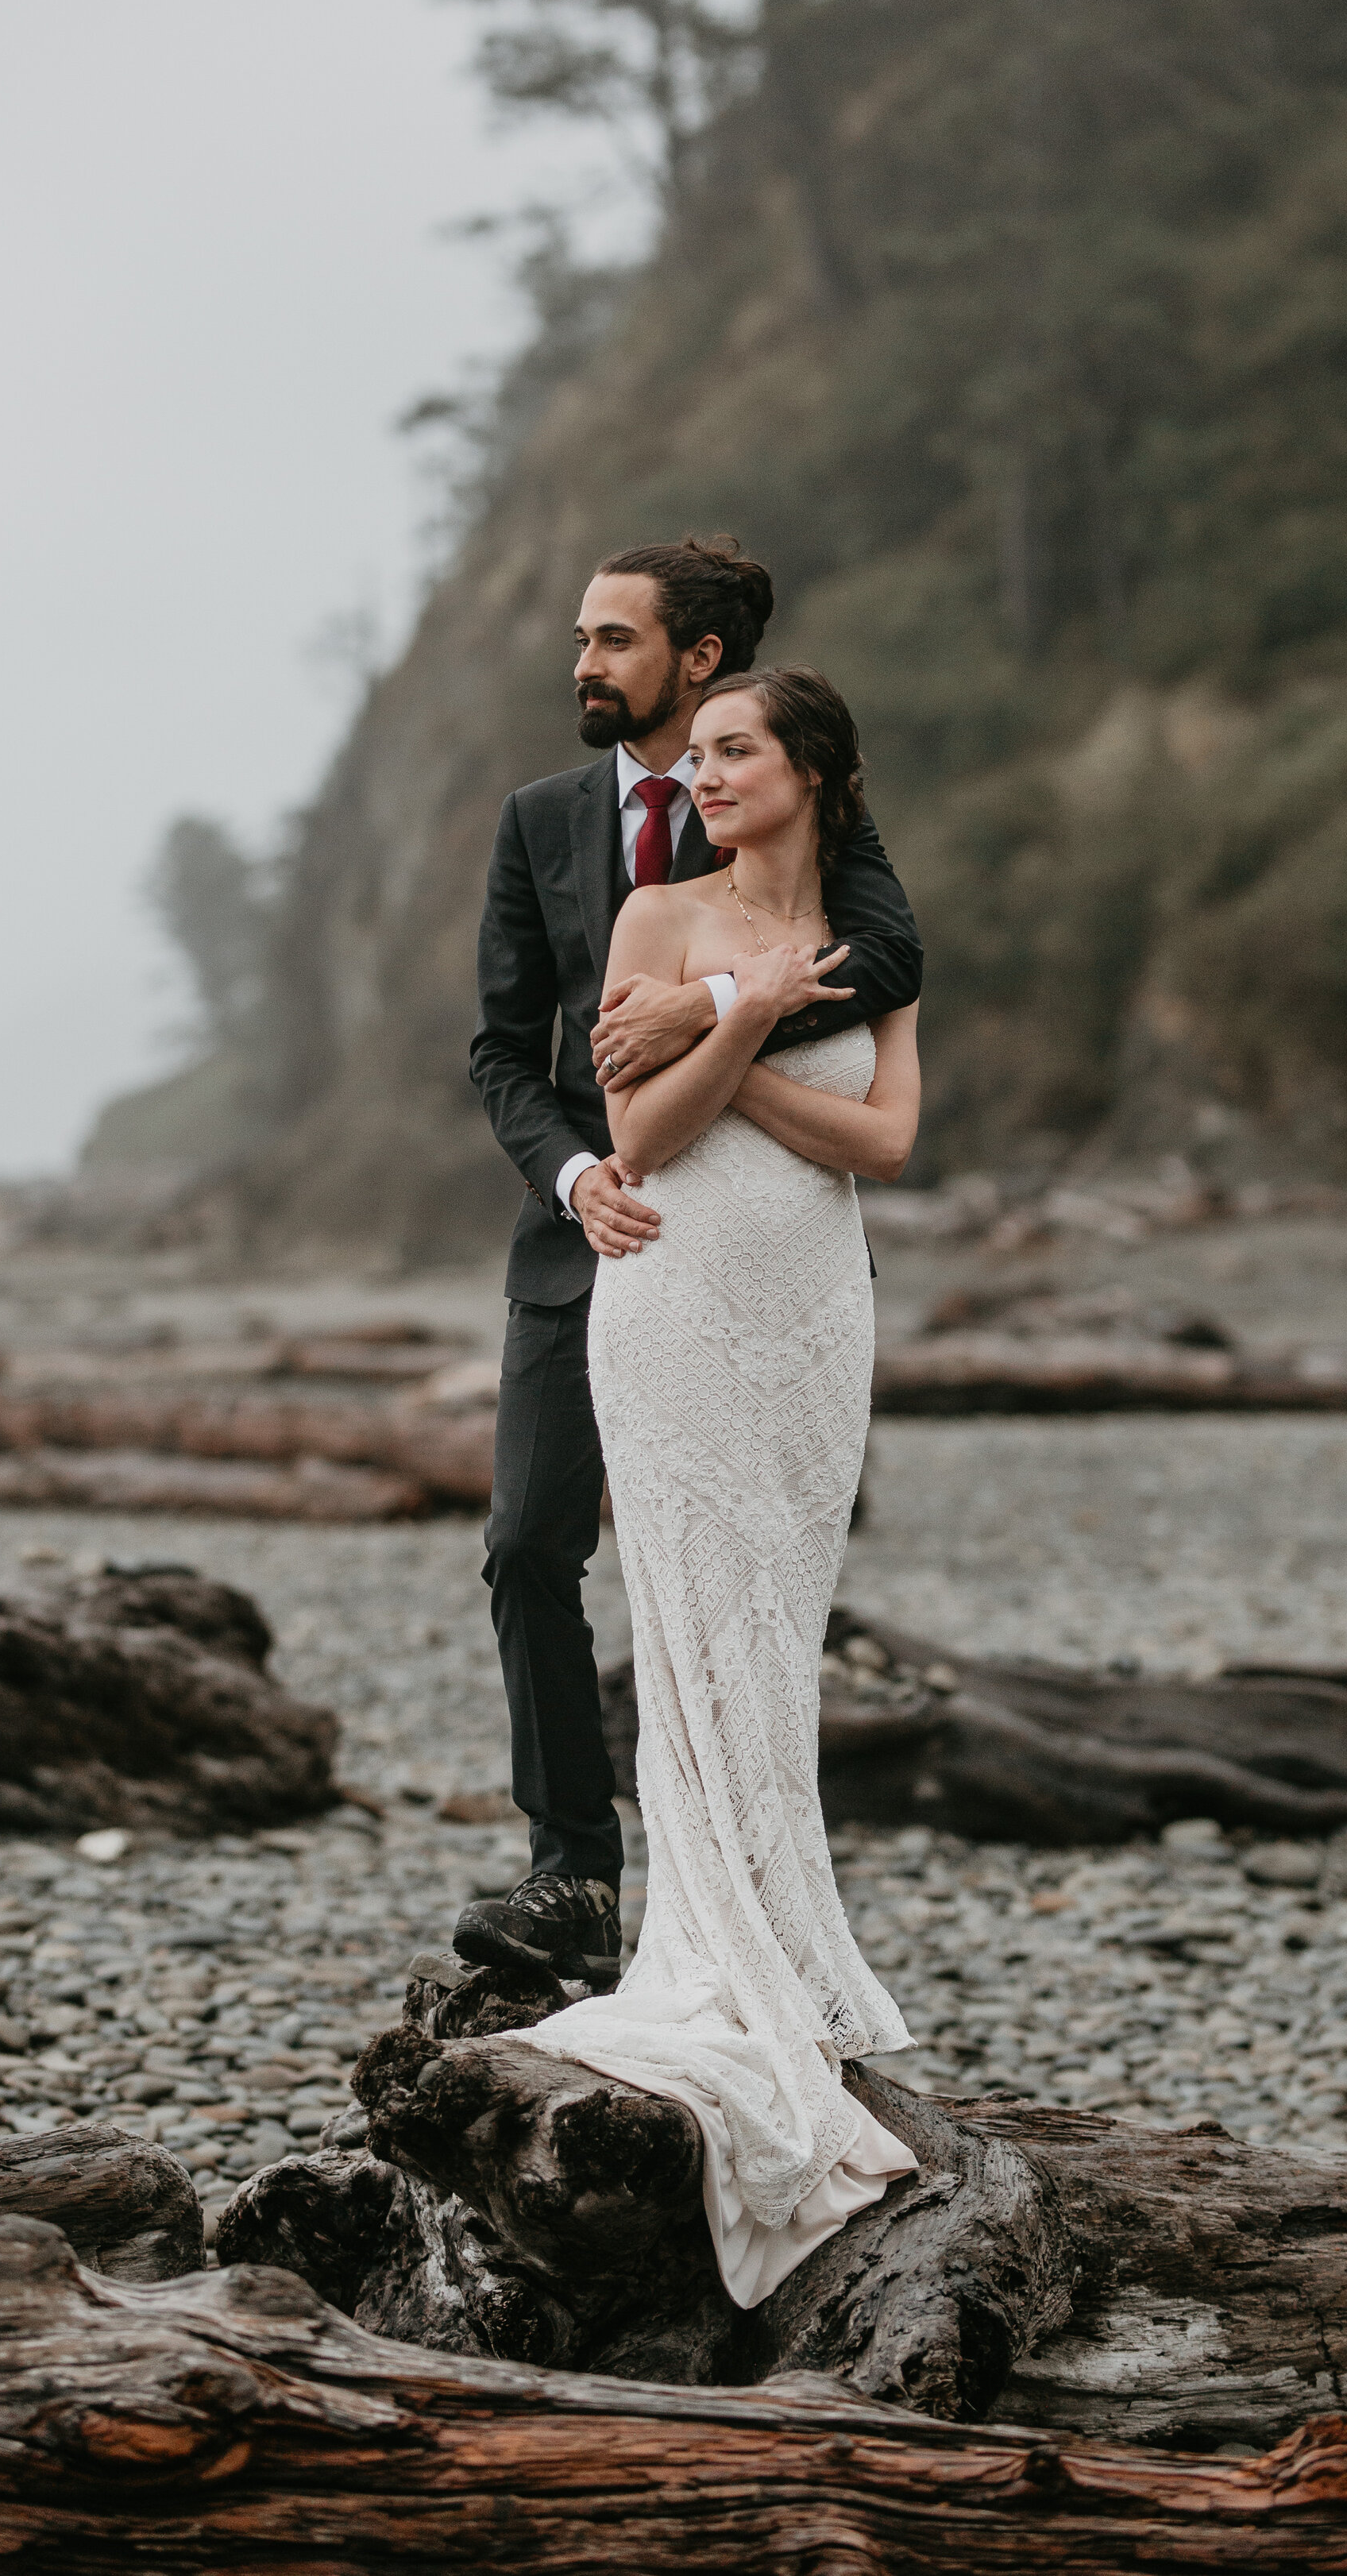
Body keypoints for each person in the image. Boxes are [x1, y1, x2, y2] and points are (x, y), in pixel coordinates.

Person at [457, 531, 922, 1999]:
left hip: (771, 1257)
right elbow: (506, 1051)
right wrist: (580, 1169)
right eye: (582, 638)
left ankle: (743, 1897)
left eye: (611, 640)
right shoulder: (542, 822)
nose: (581, 664)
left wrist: (705, 1007)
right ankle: (574, 1870)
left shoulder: (824, 816)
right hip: (595, 1222)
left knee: (751, 1571)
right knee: (533, 1540)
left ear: (699, 657)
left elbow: (886, 966)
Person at [522, 661, 924, 2304]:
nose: (698, 774)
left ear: (812, 771)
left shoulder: (877, 938)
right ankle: (725, 1965)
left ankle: (795, 1957)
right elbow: (641, 1135)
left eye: (732, 750)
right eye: (690, 757)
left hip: (815, 1314)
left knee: (782, 1625)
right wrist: (734, 1015)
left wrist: (734, 1030)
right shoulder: (652, 924)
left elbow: (889, 1143)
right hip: (676, 1308)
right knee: (695, 1631)